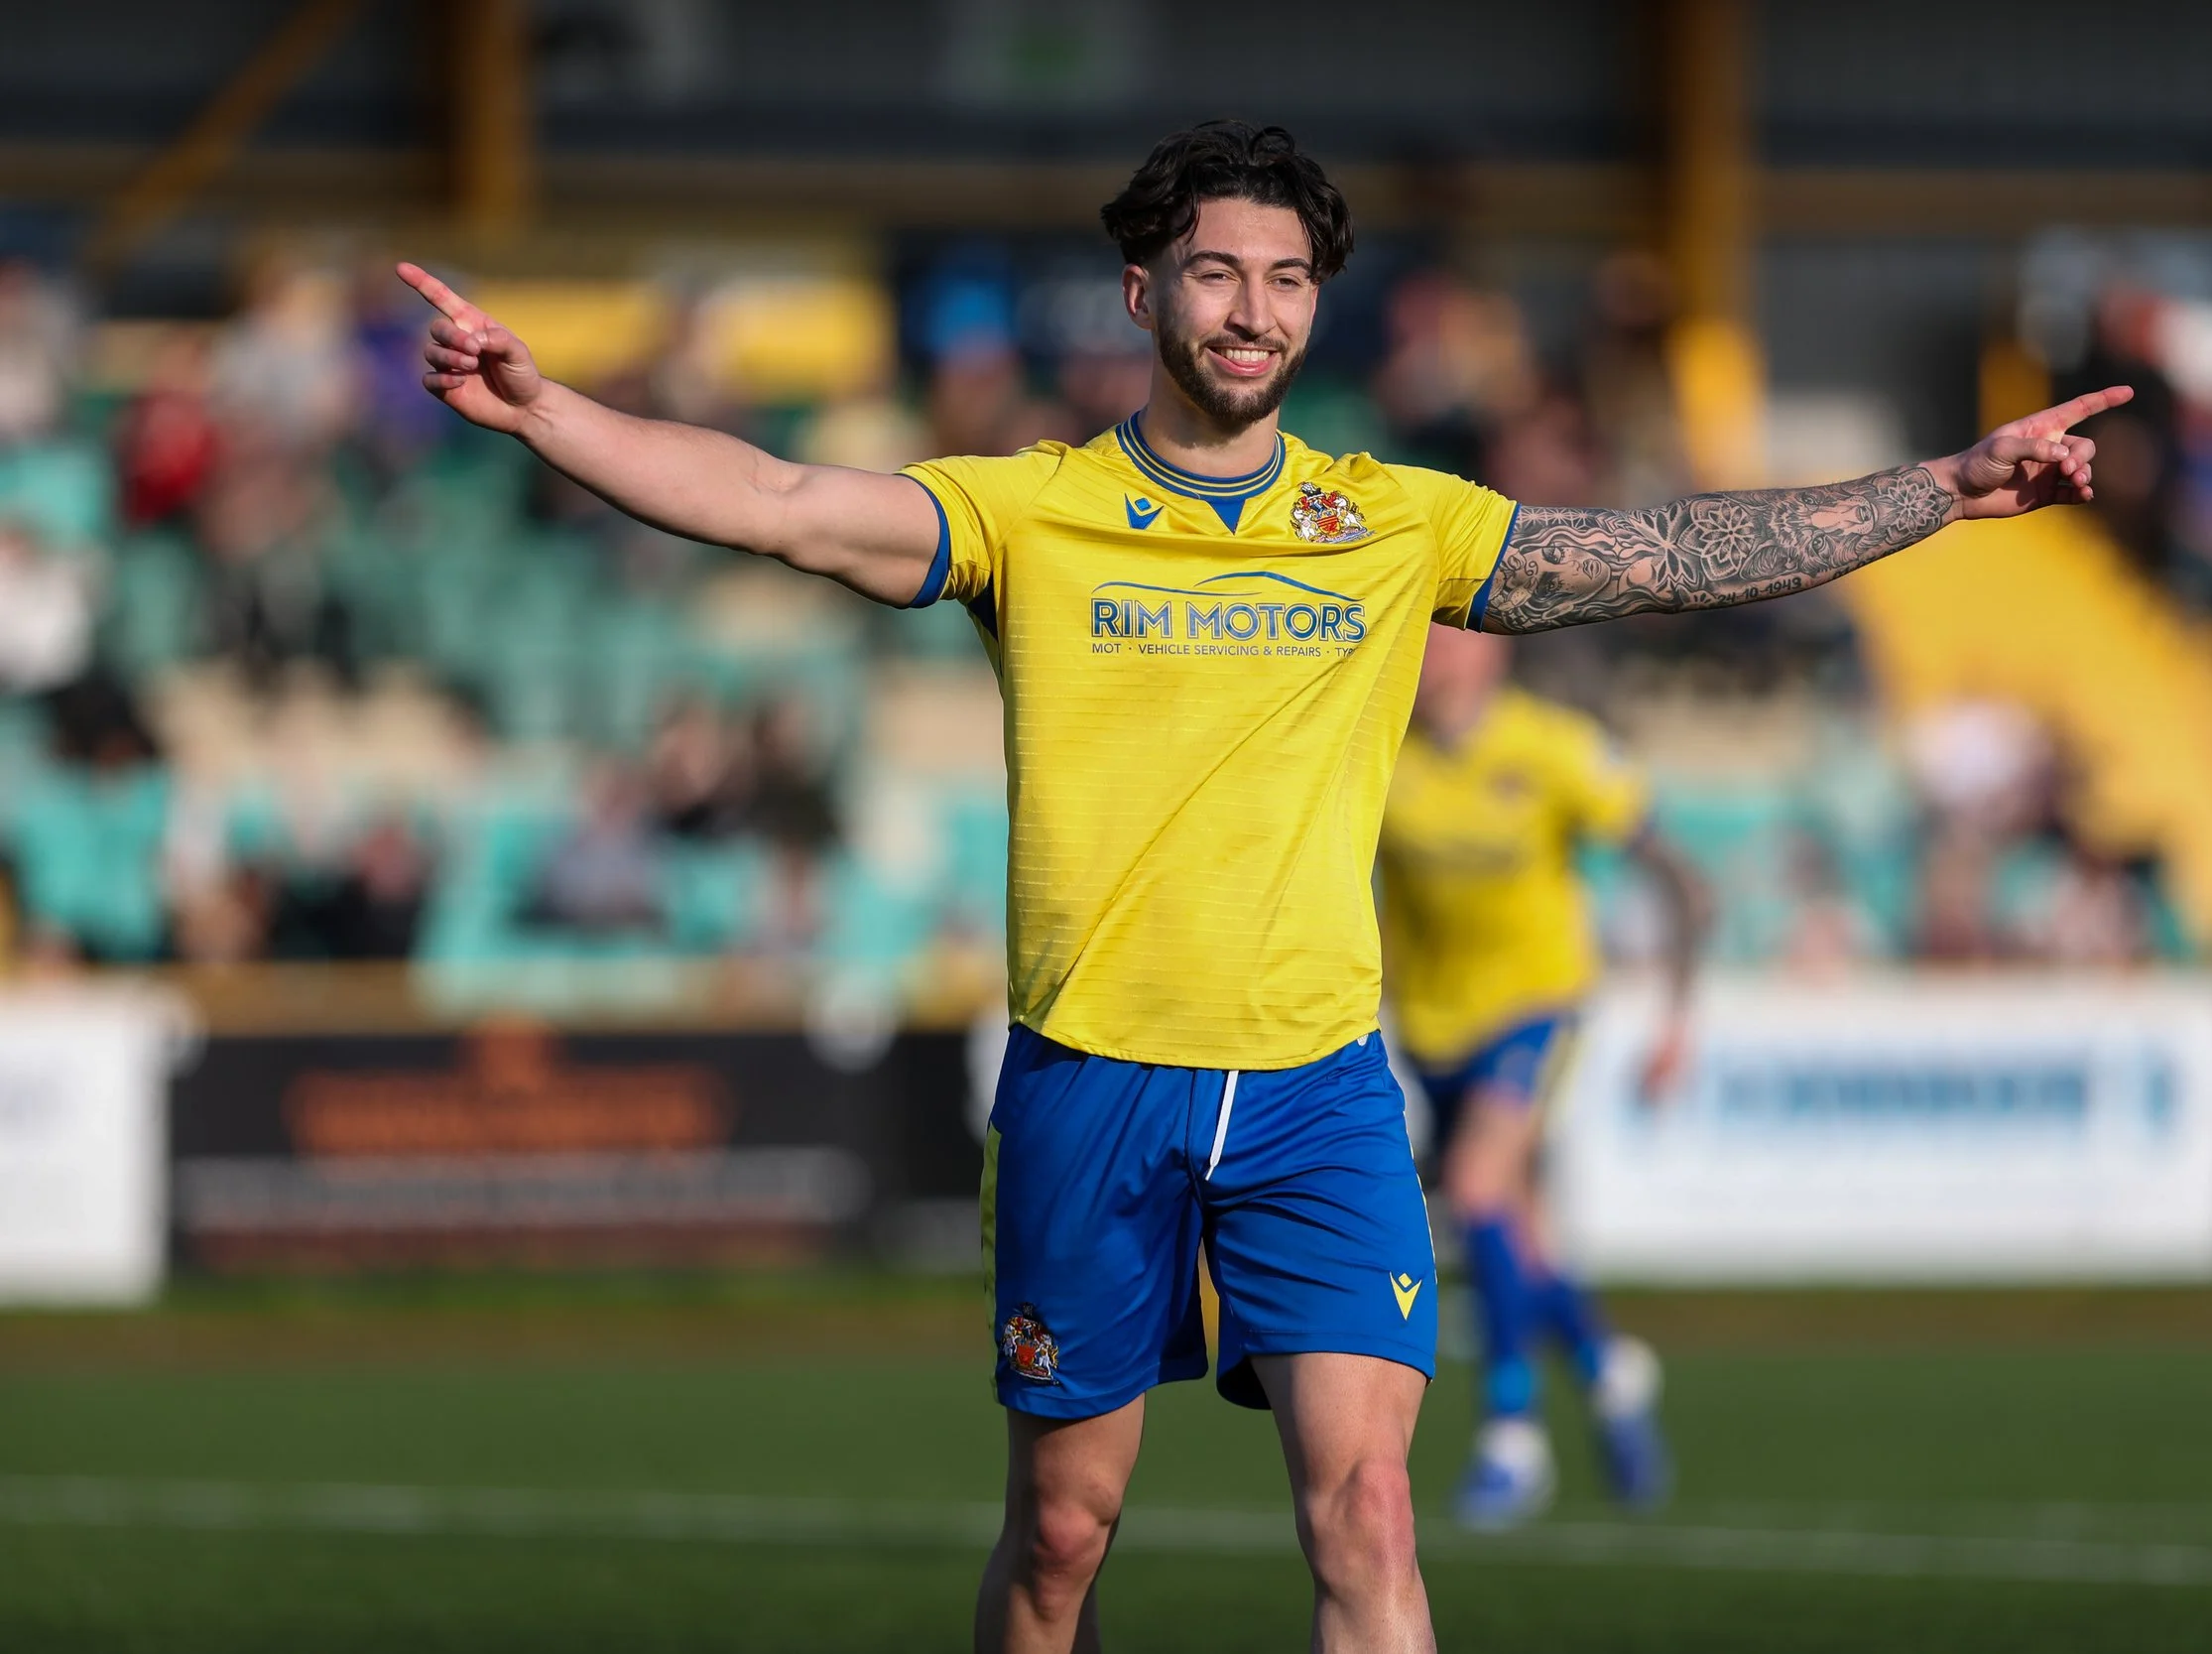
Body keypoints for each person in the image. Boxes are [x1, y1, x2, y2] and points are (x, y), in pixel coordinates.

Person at [400, 119, 2125, 1654]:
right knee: (1066, 1538)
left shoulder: (1394, 521)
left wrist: (1948, 489)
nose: (1251, 310)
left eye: (1287, 279)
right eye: (1216, 273)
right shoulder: (1034, 510)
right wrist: (542, 407)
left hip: (1320, 1090)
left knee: (1367, 1513)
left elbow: (1662, 555)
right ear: (1141, 292)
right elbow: (776, 496)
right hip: (1094, 1079)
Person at [1378, 622, 1701, 1526]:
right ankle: (1608, 1375)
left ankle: (1510, 1438)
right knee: (1516, 1234)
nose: (1434, 655)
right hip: (1432, 1026)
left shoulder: (1552, 747)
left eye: (1450, 636)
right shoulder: (1379, 747)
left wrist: (1678, 1020)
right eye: (1424, 636)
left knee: (1478, 1193)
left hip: (1536, 1008)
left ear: (1492, 650)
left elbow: (1675, 873)